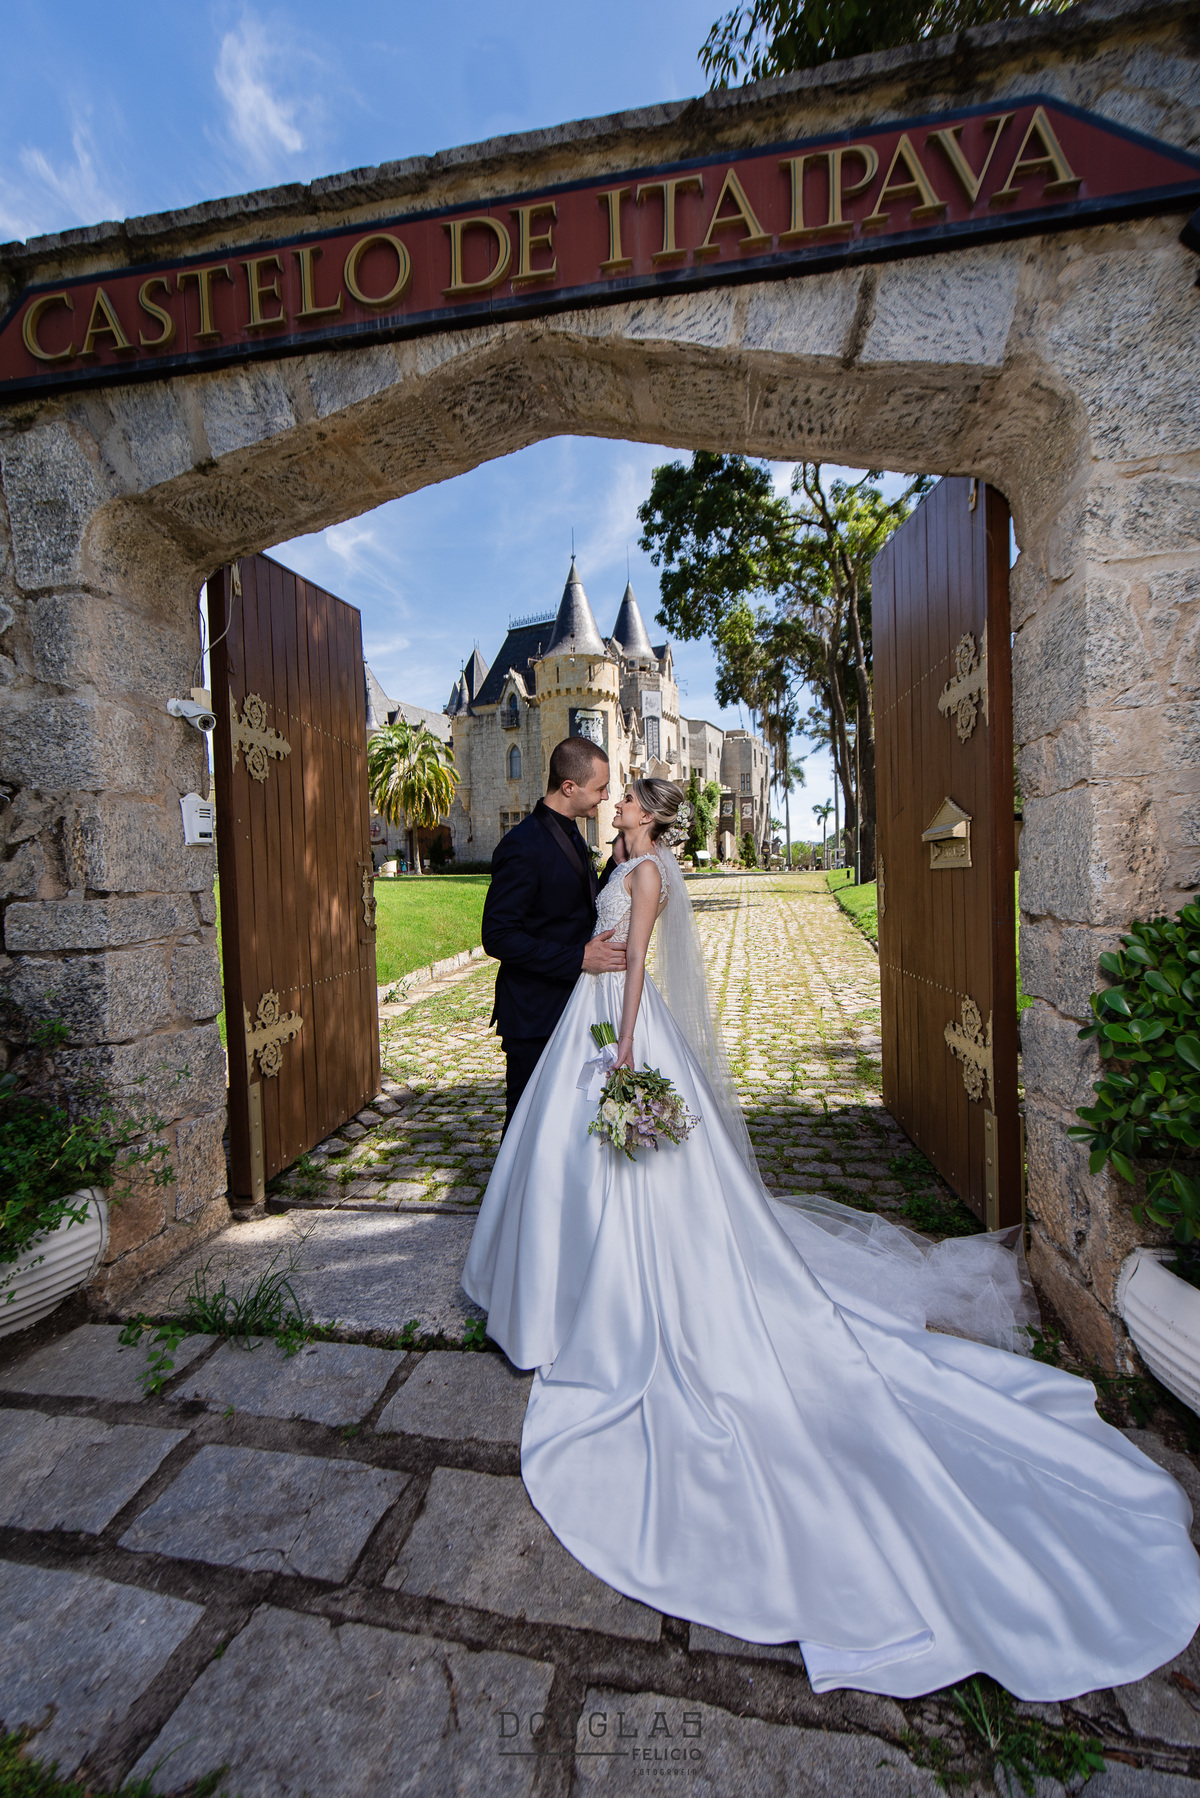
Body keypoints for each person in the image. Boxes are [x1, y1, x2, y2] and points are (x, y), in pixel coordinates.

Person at [464, 776, 1200, 1702]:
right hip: (590, 1012)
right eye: (607, 795)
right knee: (580, 1170)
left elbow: (639, 959)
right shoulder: (617, 858)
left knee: (647, 1180)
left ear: (647, 814)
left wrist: (627, 1050)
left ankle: (623, 1299)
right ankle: (573, 1281)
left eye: (625, 800)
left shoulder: (646, 874)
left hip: (623, 1028)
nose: (613, 805)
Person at [481, 736, 626, 1132]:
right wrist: (579, 958)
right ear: (569, 787)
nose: (605, 796)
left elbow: (574, 906)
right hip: (533, 1013)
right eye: (599, 788)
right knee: (526, 1123)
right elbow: (497, 935)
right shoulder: (522, 845)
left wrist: (614, 869)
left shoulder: (571, 831)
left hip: (569, 1006)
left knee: (560, 1123)